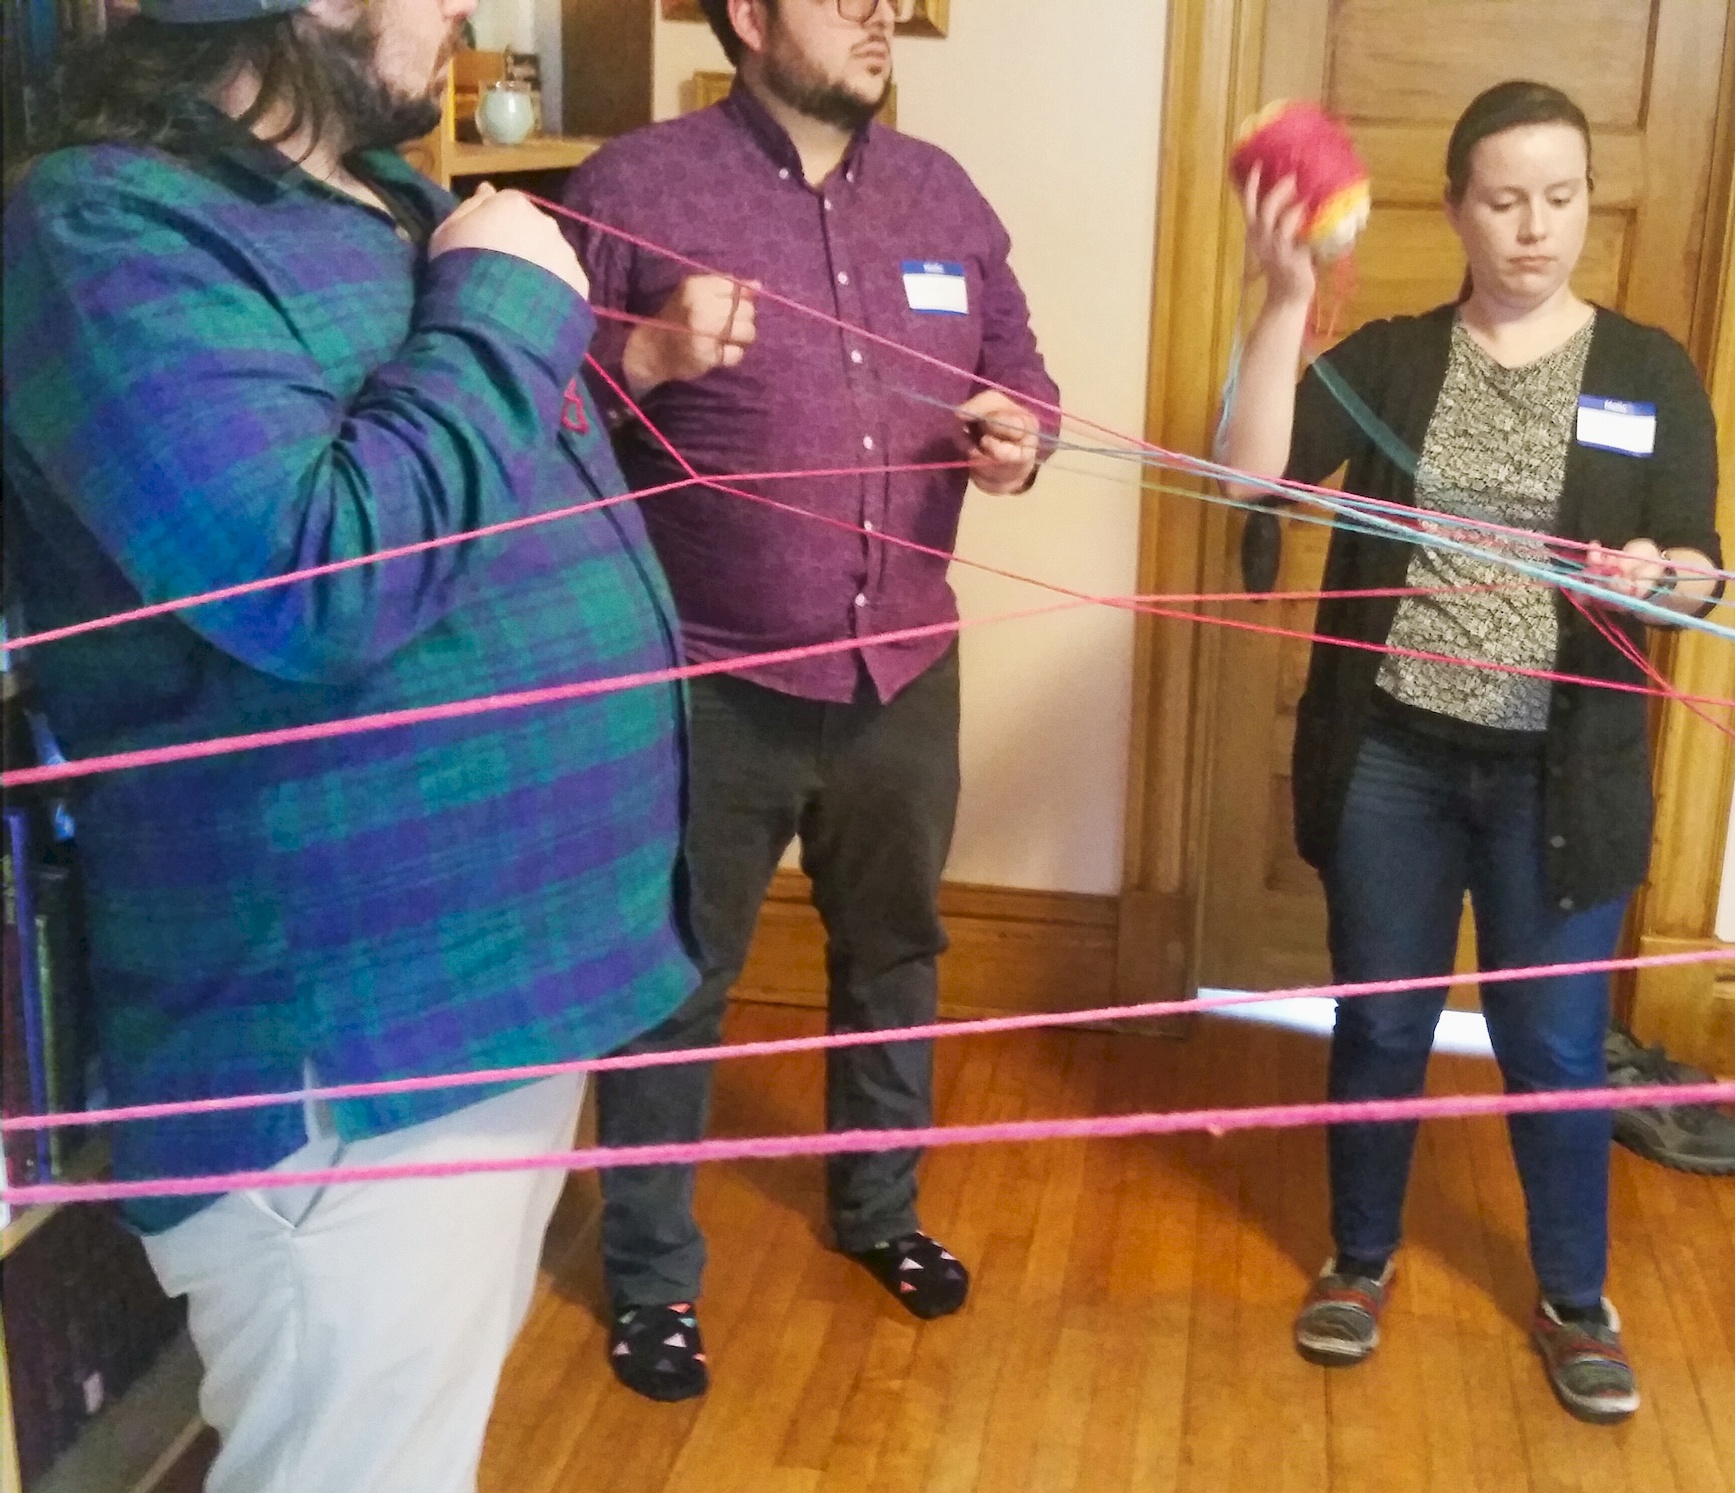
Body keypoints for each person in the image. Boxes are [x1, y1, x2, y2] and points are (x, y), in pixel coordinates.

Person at [2, 2, 700, 1488]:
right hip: (349, 1058)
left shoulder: (387, 202)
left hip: (495, 1009)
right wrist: (506, 302)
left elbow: (452, 484)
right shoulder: (99, 223)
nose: (464, 13)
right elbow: (314, 575)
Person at [561, 0, 1057, 1403]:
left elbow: (1021, 371)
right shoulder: (632, 187)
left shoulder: (943, 193)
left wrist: (1022, 437)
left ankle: (879, 1210)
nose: (878, 13)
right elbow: (540, 414)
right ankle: (652, 1278)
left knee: (894, 951)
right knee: (675, 983)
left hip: (903, 674)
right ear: (749, 15)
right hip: (710, 684)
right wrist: (645, 356)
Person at [1217, 79, 1723, 1425]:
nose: (1535, 227)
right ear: (1455, 211)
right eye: (1505, 200)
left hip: (1562, 769)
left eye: (1560, 197)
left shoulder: (1649, 371)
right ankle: (1359, 1258)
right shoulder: (1392, 357)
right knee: (1382, 1019)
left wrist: (1660, 569)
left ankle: (1575, 1300)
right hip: (1393, 754)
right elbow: (1249, 475)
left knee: (1552, 1044)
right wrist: (1283, 297)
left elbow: (1701, 567)